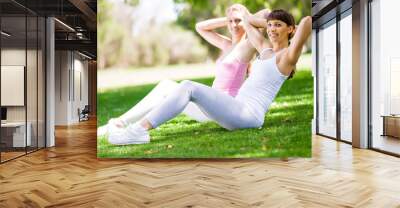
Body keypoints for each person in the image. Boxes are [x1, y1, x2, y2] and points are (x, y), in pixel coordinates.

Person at [107, 8, 311, 146]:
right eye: (271, 25)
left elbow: (307, 21)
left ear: (290, 29)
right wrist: (268, 22)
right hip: (236, 108)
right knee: (179, 88)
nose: (273, 29)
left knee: (189, 86)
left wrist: (270, 20)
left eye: (279, 25)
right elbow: (248, 21)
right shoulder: (265, 50)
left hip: (248, 114)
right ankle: (133, 128)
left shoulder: (287, 58)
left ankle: (139, 131)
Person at [98, 4, 265, 137]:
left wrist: (244, 17)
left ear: (246, 21)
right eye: (231, 21)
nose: (234, 25)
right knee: (166, 86)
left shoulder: (247, 46)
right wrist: (228, 18)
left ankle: (133, 129)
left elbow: (267, 12)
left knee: (183, 87)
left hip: (225, 108)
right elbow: (200, 27)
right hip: (210, 105)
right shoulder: (226, 44)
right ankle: (119, 123)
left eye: (238, 21)